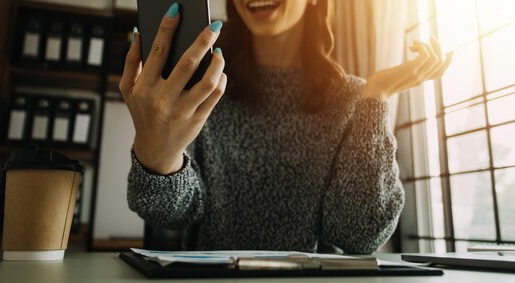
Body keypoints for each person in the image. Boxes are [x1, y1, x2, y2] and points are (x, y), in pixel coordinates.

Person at [121, 0, 451, 254]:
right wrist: (157, 159)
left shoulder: (354, 98)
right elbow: (166, 211)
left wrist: (377, 95)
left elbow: (359, 235)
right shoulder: (207, 88)